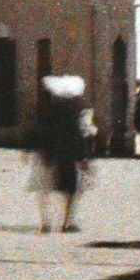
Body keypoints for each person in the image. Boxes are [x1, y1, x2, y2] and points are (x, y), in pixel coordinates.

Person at [30, 74, 93, 233]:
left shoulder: (45, 110)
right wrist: (83, 158)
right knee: (71, 191)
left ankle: (46, 223)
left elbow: (34, 132)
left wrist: (30, 149)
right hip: (66, 158)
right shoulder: (73, 112)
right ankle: (67, 223)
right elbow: (76, 137)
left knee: (44, 190)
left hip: (46, 155)